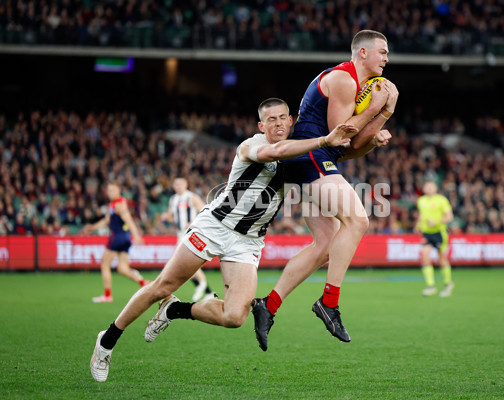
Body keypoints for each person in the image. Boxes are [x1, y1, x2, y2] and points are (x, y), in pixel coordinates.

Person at [90, 98, 357, 382]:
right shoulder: (250, 146)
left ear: (291, 121)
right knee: (161, 286)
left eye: (282, 118)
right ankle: (106, 342)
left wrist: (370, 139)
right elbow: (281, 150)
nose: (278, 124)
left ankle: (175, 309)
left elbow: (339, 152)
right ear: (261, 125)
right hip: (216, 227)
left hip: (248, 241)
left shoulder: (298, 156)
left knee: (235, 316)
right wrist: (325, 139)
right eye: (271, 120)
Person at [252, 29, 398, 350]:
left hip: (311, 157)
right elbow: (340, 135)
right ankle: (329, 303)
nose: (387, 58)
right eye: (382, 52)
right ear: (362, 53)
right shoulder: (345, 80)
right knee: (358, 220)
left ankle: (269, 305)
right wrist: (375, 111)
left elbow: (351, 148)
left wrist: (383, 114)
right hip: (309, 155)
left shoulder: (355, 86)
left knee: (325, 244)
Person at [83, 182, 148, 303]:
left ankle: (107, 295)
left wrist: (137, 236)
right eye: (109, 190)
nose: (110, 192)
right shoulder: (113, 204)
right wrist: (92, 227)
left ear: (119, 191)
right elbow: (106, 220)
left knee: (104, 264)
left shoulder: (119, 205)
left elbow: (129, 221)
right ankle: (143, 282)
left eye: (113, 190)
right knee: (122, 269)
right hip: (125, 238)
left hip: (118, 236)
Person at [161, 177, 216, 302]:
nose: (178, 186)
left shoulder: (192, 197)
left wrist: (192, 222)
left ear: (186, 184)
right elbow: (172, 218)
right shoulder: (173, 199)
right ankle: (207, 291)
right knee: (184, 263)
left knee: (184, 262)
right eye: (176, 184)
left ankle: (202, 284)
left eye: (180, 184)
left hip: (192, 233)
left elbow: (206, 212)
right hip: (180, 234)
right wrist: (166, 217)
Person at [414, 180, 454, 297]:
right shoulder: (421, 200)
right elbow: (422, 215)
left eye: (431, 186)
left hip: (439, 233)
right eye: (427, 186)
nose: (429, 188)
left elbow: (449, 217)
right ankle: (431, 286)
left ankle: (448, 284)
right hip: (426, 233)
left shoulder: (441, 200)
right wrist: (418, 225)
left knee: (441, 259)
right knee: (425, 256)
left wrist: (436, 222)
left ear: (436, 188)